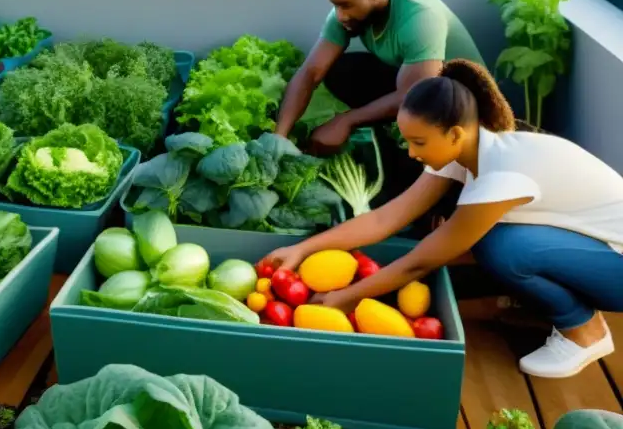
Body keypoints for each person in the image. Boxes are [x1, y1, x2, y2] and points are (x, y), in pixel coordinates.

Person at [261, 59, 623, 379]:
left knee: (503, 247)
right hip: (595, 245)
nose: (411, 153)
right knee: (492, 239)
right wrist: (302, 249)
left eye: (418, 142)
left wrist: (348, 297)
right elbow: (386, 218)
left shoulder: (502, 176)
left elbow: (420, 262)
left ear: (454, 133)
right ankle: (559, 311)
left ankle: (585, 332)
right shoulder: (470, 148)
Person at [275, 0, 486, 157]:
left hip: (458, 102)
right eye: (335, 5)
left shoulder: (421, 18)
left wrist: (347, 120)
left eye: (346, 5)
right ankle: (383, 128)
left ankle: (396, 148)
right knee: (343, 70)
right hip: (418, 86)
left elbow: (414, 96)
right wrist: (280, 136)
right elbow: (311, 72)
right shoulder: (345, 14)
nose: (340, 16)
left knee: (407, 160)